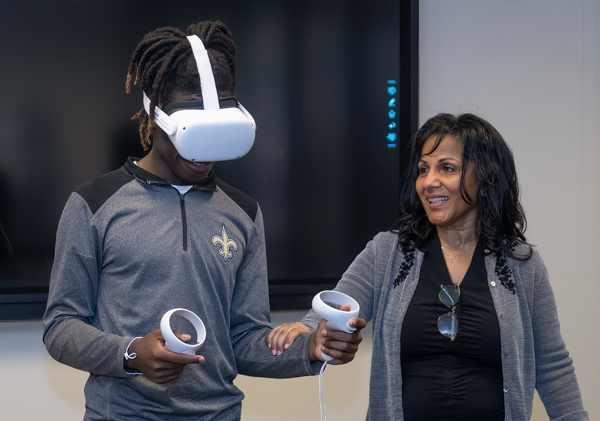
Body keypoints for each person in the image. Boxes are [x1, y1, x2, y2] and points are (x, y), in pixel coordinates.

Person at [43, 20, 364, 420]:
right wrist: (132, 353)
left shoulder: (243, 213)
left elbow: (243, 339)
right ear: (155, 113)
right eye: (193, 133)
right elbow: (61, 326)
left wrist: (311, 348)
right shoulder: (93, 204)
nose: (204, 153)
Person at [268, 113, 589, 420]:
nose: (429, 182)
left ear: (485, 178)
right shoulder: (387, 252)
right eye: (423, 169)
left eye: (447, 168)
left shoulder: (523, 264)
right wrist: (308, 327)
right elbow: (342, 303)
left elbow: (552, 365)